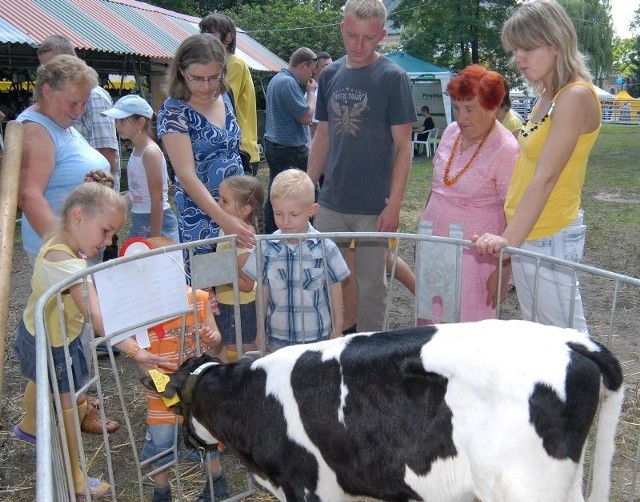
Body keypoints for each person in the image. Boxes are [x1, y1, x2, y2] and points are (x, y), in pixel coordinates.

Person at [13, 183, 174, 499]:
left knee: (40, 380)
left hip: (43, 330)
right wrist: (135, 351)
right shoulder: (69, 266)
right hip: (51, 343)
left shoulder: (62, 241)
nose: (109, 241)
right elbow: (98, 316)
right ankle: (75, 478)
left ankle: (31, 423)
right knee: (67, 403)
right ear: (78, 217)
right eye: (106, 230)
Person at [474, 0, 602, 334]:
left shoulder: (573, 96)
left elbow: (545, 179)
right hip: (532, 231)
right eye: (516, 49)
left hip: (550, 231)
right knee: (545, 335)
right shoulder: (548, 93)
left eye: (527, 48)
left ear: (556, 43)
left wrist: (506, 243)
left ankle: (596, 387)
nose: (519, 58)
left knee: (566, 339)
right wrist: (513, 241)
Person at [307, 0, 416, 333]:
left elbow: (403, 146)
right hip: (330, 200)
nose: (358, 45)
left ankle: (371, 355)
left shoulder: (393, 77)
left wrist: (394, 204)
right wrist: (306, 187)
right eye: (352, 35)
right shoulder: (329, 74)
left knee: (371, 285)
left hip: (374, 204)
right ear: (342, 28)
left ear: (382, 35)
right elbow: (322, 135)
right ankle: (327, 344)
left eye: (368, 38)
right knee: (322, 277)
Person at [120, 236, 227, 502]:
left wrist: (211, 338)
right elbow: (139, 357)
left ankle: (216, 485)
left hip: (197, 391)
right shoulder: (139, 312)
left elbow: (216, 339)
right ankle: (161, 492)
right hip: (160, 393)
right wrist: (165, 389)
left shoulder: (198, 300)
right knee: (160, 445)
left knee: (206, 439)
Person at [421, 64, 519, 323]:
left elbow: (513, 215)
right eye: (456, 107)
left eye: (469, 108)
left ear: (492, 106)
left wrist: (503, 270)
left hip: (475, 256)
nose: (461, 117)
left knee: (468, 330)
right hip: (434, 242)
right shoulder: (451, 132)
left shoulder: (506, 148)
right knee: (431, 322)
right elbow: (437, 187)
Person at [157, 33, 254, 276]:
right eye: (197, 79)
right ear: (181, 71)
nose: (207, 86)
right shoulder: (173, 111)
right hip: (201, 219)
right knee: (211, 289)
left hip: (237, 211)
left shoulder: (224, 97)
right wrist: (222, 218)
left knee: (243, 285)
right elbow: (186, 175)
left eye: (214, 77)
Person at [17, 55, 110, 265]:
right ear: (48, 91)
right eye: (73, 103)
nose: (79, 111)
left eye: (84, 104)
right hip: (67, 254)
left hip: (82, 247)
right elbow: (28, 196)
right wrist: (66, 250)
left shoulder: (58, 123)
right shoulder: (36, 130)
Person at [243, 169, 349, 352]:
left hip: (316, 337)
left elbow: (335, 288)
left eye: (293, 214)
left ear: (311, 210)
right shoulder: (266, 248)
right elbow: (263, 290)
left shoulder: (326, 247)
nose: (285, 221)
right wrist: (260, 330)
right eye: (278, 213)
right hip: (278, 337)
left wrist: (337, 329)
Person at [37, 35, 120, 191]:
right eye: (43, 67)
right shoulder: (56, 98)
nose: (47, 73)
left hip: (94, 194)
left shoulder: (94, 96)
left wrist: (102, 193)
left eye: (52, 65)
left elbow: (107, 150)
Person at [102, 94, 180, 243]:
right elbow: (137, 190)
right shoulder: (137, 150)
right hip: (140, 220)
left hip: (157, 222)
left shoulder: (150, 152)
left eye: (122, 120)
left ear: (140, 122)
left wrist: (155, 239)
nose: (117, 125)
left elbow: (157, 198)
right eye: (117, 121)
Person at [263, 47, 318, 234]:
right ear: (303, 65)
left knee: (277, 192)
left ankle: (272, 232)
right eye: (312, 69)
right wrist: (311, 93)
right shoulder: (288, 83)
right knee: (304, 192)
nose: (312, 74)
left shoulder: (276, 80)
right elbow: (306, 117)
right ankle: (301, 231)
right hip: (290, 151)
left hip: (276, 146)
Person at [199, 12, 261, 176]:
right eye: (203, 33)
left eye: (211, 34)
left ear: (229, 38)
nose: (206, 39)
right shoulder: (218, 66)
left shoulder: (234, 65)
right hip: (224, 148)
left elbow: (214, 98)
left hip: (240, 149)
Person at [215, 175, 264, 360]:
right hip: (228, 301)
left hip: (240, 305)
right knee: (227, 343)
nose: (218, 204)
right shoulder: (226, 229)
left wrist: (217, 276)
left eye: (225, 201)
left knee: (242, 345)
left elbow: (247, 284)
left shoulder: (243, 243)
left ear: (245, 209)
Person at [308, 51, 333, 146]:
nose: (332, 69)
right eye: (326, 66)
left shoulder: (330, 90)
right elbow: (314, 130)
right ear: (315, 69)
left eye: (332, 65)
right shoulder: (313, 94)